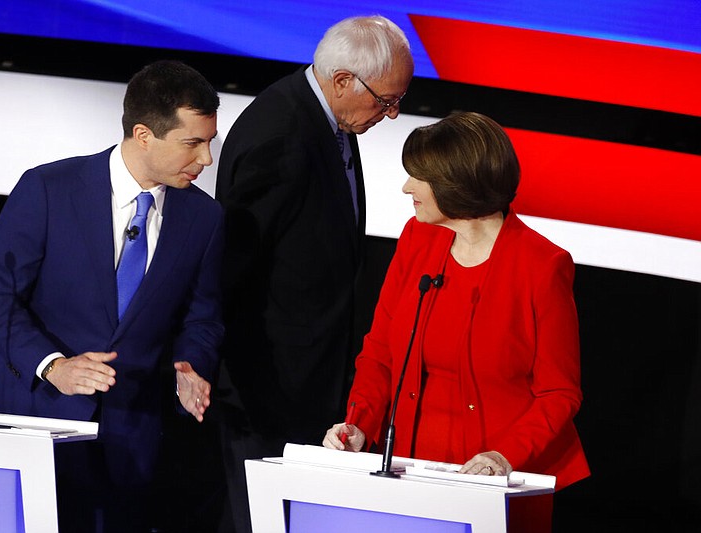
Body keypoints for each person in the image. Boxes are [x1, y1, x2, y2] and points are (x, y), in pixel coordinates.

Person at [0, 60, 224, 532]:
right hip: (31, 419)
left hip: (128, 443)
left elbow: (202, 318)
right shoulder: (48, 188)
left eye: (209, 142)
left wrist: (190, 366)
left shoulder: (204, 219)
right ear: (144, 134)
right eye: (193, 143)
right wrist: (54, 365)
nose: (206, 159)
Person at [213, 14, 414, 533]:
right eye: (386, 100)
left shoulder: (328, 120)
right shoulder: (278, 133)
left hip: (313, 384)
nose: (392, 115)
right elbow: (232, 271)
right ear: (343, 80)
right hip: (268, 391)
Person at [323, 111, 590, 492]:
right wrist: (359, 424)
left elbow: (558, 393)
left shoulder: (542, 266)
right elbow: (380, 351)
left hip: (498, 478)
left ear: (456, 185)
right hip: (407, 466)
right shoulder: (418, 237)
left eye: (419, 176)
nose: (405, 187)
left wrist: (503, 456)